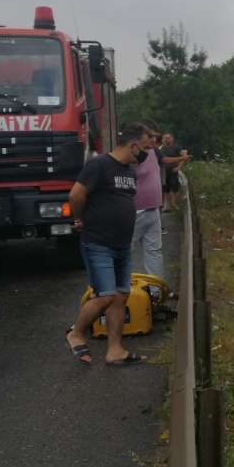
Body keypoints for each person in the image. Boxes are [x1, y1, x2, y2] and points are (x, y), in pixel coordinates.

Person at [64, 123, 148, 366]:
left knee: (121, 297)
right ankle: (76, 332)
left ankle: (115, 350)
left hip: (122, 244)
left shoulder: (129, 171)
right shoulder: (99, 165)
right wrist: (79, 218)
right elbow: (75, 194)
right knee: (106, 296)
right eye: (143, 148)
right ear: (133, 145)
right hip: (98, 242)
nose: (144, 154)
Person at [130, 123, 165, 284]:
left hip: (153, 209)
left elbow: (165, 161)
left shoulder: (154, 152)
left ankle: (157, 289)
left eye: (154, 136)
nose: (153, 139)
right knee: (126, 250)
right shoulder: (133, 155)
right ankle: (123, 289)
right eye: (149, 136)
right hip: (137, 210)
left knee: (154, 251)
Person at [159, 132, 190, 211]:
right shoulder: (160, 148)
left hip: (173, 170)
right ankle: (166, 206)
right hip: (163, 171)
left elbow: (185, 157)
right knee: (165, 188)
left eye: (168, 138)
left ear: (172, 139)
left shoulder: (177, 147)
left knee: (174, 187)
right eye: (165, 138)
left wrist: (179, 167)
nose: (166, 139)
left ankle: (174, 204)